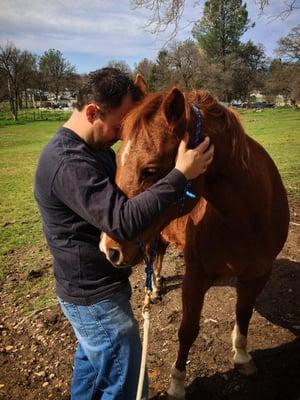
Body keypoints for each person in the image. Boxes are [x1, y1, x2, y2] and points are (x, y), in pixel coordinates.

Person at [34, 68, 214, 400]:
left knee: (92, 375)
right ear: (92, 112)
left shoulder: (96, 150)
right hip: (93, 298)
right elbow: (122, 221)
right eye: (119, 125)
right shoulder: (68, 163)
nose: (121, 135)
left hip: (96, 290)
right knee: (128, 388)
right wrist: (180, 175)